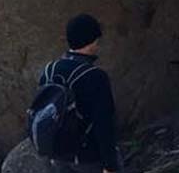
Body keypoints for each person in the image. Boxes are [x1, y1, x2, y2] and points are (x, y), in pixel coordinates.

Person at [36, 14, 123, 173]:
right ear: (92, 41)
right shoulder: (95, 76)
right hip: (88, 157)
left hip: (58, 155)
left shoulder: (49, 70)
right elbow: (103, 124)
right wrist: (110, 166)